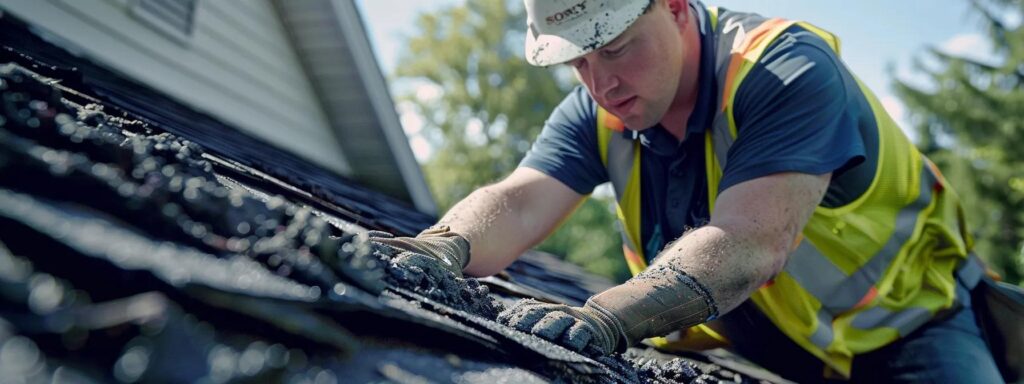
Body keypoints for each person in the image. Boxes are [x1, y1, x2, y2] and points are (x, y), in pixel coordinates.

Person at [372, 0, 1004, 381]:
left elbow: (750, 243)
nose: (600, 83)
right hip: (776, 351)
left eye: (616, 49)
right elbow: (520, 198)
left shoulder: (785, 72)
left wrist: (605, 316)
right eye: (578, 63)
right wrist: (443, 245)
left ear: (675, 6)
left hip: (914, 332)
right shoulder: (601, 109)